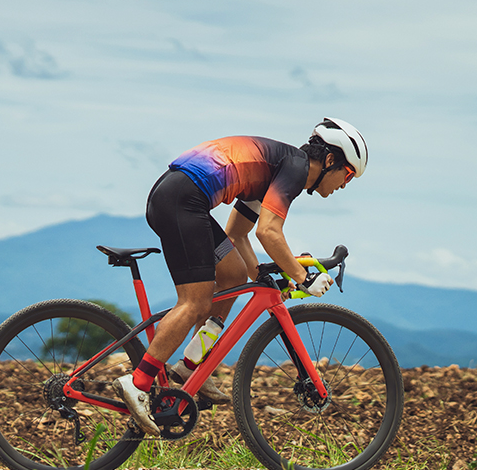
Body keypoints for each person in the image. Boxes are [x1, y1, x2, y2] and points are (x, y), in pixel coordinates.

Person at [113, 118, 368, 435]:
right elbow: (269, 232)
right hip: (182, 200)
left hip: (181, 197)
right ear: (330, 160)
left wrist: (261, 273)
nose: (344, 184)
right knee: (195, 302)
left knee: (233, 276)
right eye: (347, 174)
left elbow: (239, 234)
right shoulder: (295, 169)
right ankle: (138, 381)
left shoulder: (279, 168)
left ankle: (191, 369)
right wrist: (303, 277)